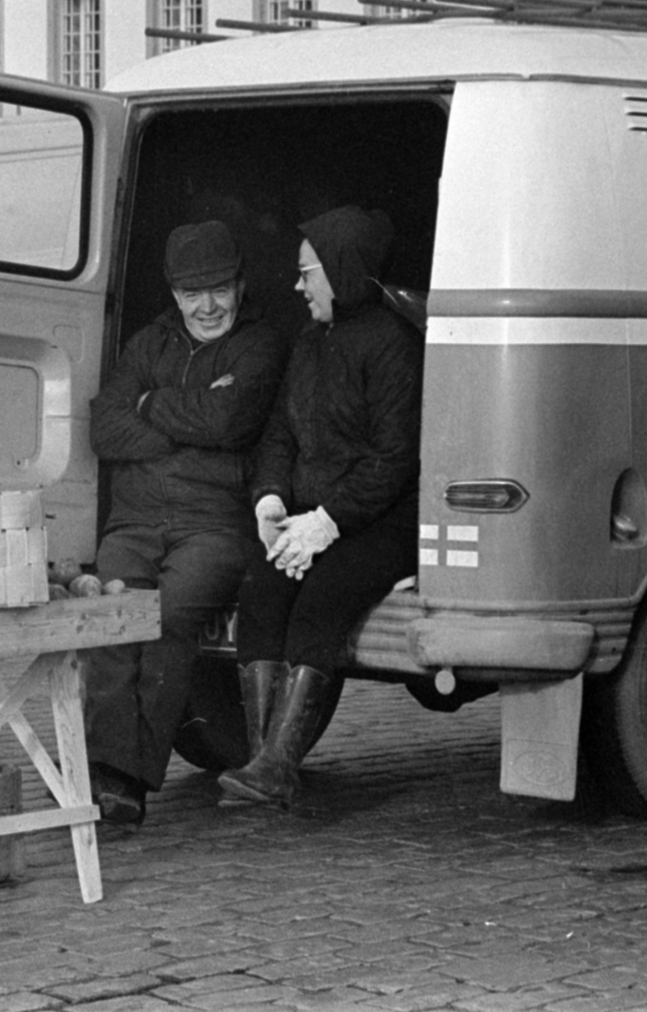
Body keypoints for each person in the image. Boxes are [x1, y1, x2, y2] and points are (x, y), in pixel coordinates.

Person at [84, 220, 288, 827]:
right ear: (174, 294)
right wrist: (193, 419)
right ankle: (106, 772)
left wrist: (150, 404)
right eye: (193, 292)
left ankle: (125, 780)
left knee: (168, 618)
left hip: (214, 524)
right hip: (136, 519)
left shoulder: (261, 344)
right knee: (112, 613)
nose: (208, 305)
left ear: (241, 286)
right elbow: (104, 426)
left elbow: (231, 423)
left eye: (220, 289)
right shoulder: (149, 343)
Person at [218, 205, 423, 808]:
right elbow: (281, 433)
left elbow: (392, 460)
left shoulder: (393, 347)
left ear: (343, 271)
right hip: (314, 517)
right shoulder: (310, 343)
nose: (299, 285)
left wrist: (329, 520)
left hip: (380, 521)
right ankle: (262, 763)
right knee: (261, 593)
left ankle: (278, 764)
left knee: (320, 603)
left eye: (309, 273)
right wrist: (272, 500)